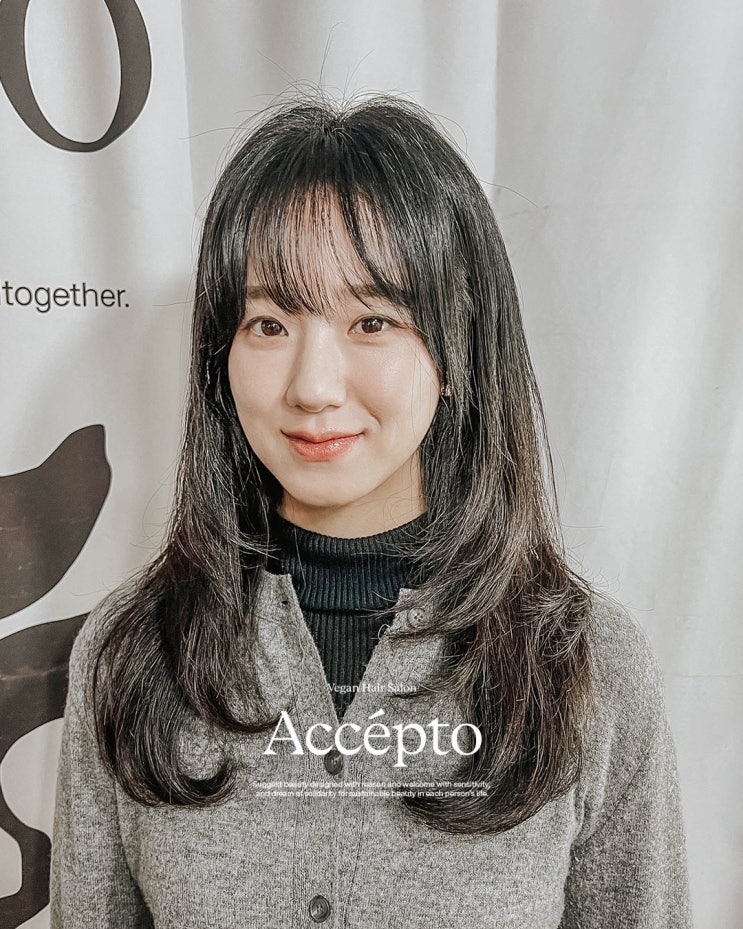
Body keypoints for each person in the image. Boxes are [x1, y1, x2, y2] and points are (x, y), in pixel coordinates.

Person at [50, 93, 692, 928]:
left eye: (371, 320)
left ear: (456, 351)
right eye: (269, 323)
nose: (313, 386)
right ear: (220, 352)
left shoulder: (585, 664)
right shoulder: (131, 650)